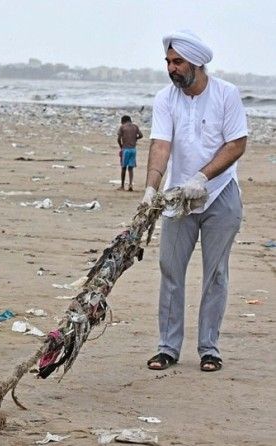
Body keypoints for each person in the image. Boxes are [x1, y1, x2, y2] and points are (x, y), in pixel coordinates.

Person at [142, 30, 248, 373]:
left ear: (197, 63)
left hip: (220, 194)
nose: (171, 69)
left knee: (215, 274)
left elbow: (236, 144)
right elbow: (160, 145)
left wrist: (202, 178)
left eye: (178, 62)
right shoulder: (165, 99)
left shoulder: (226, 94)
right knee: (170, 270)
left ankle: (209, 349)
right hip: (178, 199)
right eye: (168, 62)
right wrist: (150, 189)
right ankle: (167, 348)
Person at [116, 115, 143, 191]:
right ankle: (130, 184)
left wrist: (121, 146)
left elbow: (118, 139)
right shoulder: (135, 127)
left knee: (124, 168)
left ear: (123, 121)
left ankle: (122, 186)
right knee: (130, 168)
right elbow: (141, 135)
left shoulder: (122, 127)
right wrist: (135, 139)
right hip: (133, 150)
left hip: (126, 149)